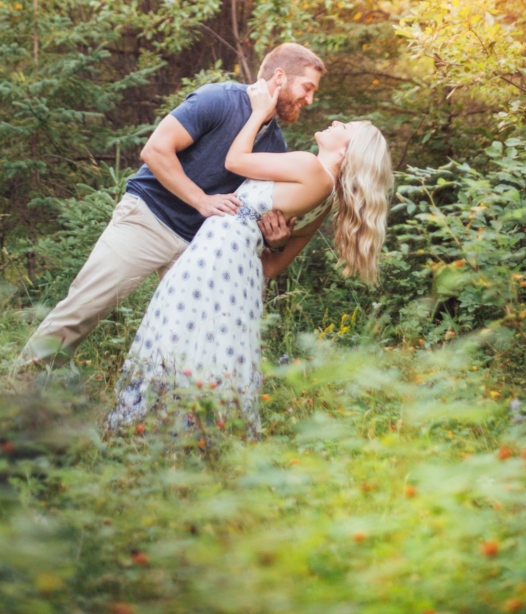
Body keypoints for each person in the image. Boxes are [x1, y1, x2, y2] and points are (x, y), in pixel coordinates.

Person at [106, 78, 393, 436]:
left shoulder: (309, 167)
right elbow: (272, 265)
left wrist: (258, 114)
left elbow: (234, 160)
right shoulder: (325, 196)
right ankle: (204, 437)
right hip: (237, 270)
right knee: (211, 350)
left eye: (345, 127)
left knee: (178, 339)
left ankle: (149, 431)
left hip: (216, 256)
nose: (336, 123)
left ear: (349, 149)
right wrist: (269, 241)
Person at [19, 43, 326, 366]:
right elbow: (155, 150)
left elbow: (257, 215)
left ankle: (164, 411)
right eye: (307, 88)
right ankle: (18, 392)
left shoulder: (277, 146)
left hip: (197, 247)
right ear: (279, 76)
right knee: (82, 310)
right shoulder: (219, 98)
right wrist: (200, 200)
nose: (309, 99)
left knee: (190, 342)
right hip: (147, 218)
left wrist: (275, 243)